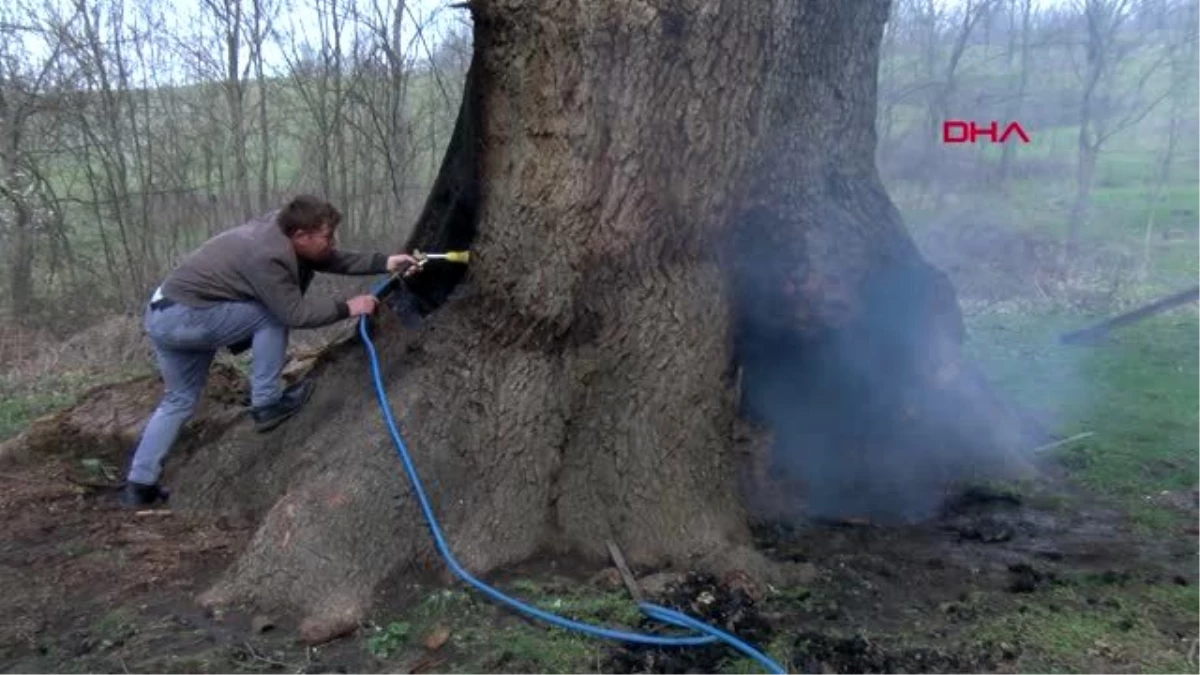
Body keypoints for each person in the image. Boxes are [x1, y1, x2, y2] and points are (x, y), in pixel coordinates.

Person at [120, 195, 418, 508]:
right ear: (301, 236)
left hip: (163, 314)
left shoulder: (285, 229)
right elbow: (294, 314)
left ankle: (140, 484)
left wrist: (384, 262)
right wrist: (349, 307)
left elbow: (326, 257)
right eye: (328, 236)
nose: (333, 242)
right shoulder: (267, 255)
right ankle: (267, 403)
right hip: (185, 316)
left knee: (178, 399)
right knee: (270, 314)